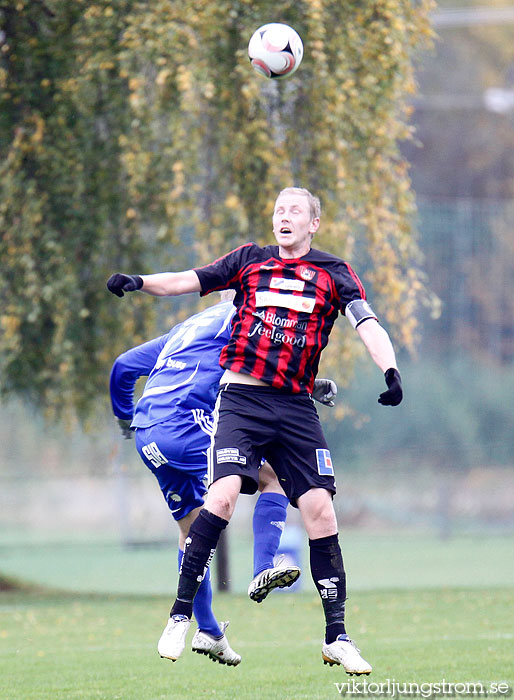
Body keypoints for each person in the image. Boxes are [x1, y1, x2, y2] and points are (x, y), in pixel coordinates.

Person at [107, 186, 403, 675]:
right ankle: (182, 615)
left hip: (295, 406)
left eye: (295, 211)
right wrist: (139, 281)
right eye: (278, 210)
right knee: (222, 498)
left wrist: (389, 369)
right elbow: (186, 279)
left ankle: (337, 637)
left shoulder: (334, 273)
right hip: (242, 401)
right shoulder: (248, 262)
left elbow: (366, 322)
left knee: (321, 512)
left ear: (314, 224)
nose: (284, 217)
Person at [109, 292, 337, 665]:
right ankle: (264, 566)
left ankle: (210, 630)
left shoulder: (183, 329)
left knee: (191, 530)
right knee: (275, 476)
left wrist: (124, 419)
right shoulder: (243, 320)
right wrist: (310, 387)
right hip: (185, 426)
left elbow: (123, 366)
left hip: (148, 434)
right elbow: (264, 372)